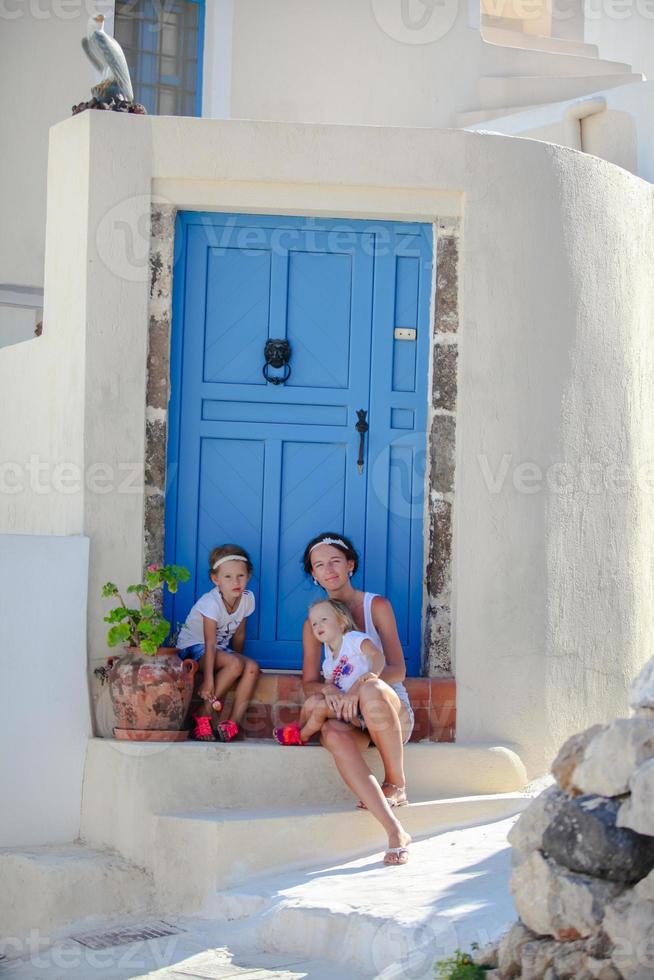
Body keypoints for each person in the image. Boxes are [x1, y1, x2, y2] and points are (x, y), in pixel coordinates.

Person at [301, 532, 415, 866]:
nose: (328, 569)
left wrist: (359, 686)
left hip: (388, 711)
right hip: (350, 719)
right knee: (332, 732)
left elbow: (398, 668)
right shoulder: (315, 624)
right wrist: (331, 691)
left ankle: (396, 782)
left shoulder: (375, 606)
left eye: (335, 561)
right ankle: (394, 830)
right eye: (319, 565)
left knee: (371, 688)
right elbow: (309, 682)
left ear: (350, 565)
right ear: (313, 575)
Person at [177, 544, 260, 742]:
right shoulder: (211, 602)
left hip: (219, 649)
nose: (235, 582)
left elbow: (239, 634)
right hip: (193, 648)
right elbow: (210, 641)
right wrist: (209, 680)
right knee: (235, 664)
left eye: (241, 575)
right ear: (216, 579)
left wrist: (239, 661)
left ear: (248, 575)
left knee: (252, 667)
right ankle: (202, 713)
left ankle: (232, 723)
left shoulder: (247, 600)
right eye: (228, 577)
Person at [273, 598, 385, 745]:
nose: (318, 625)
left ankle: (302, 737)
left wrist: (373, 674)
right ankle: (296, 728)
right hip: (342, 705)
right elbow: (329, 686)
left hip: (360, 707)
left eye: (324, 619)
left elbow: (378, 655)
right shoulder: (329, 661)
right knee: (313, 702)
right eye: (314, 624)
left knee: (320, 707)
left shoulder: (353, 639)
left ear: (341, 622)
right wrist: (324, 694)